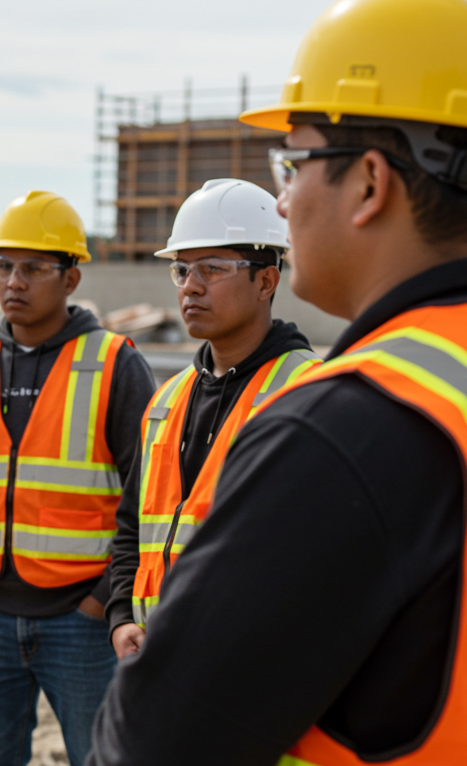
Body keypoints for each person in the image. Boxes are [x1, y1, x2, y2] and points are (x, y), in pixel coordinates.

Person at [89, 0, 467, 765]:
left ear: (369, 183)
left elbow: (156, 743)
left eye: (292, 166)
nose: (286, 200)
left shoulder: (351, 426)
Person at [0, 191, 155, 766]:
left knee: (103, 760)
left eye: (33, 268)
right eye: (4, 266)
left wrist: (105, 601)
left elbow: (150, 495)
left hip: (82, 622)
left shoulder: (114, 363)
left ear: (71, 277)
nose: (14, 282)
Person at [106, 179, 319, 658]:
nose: (191, 286)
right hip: (153, 656)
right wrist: (121, 616)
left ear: (266, 280)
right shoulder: (167, 399)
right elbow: (131, 528)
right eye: (181, 270)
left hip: (246, 666)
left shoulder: (308, 392)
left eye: (212, 268)